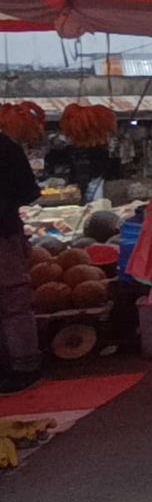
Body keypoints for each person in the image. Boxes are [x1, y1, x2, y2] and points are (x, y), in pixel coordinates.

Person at [1, 131, 43, 395]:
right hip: (4, 232)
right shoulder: (6, 145)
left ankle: (22, 366)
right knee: (13, 301)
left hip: (3, 233)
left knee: (12, 299)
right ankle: (24, 366)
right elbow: (29, 192)